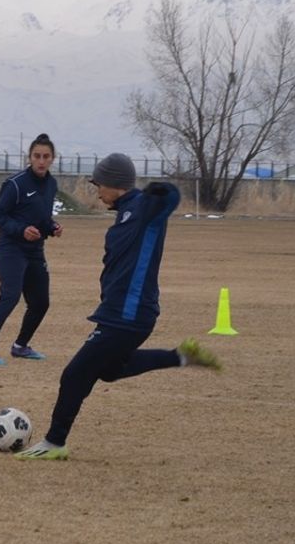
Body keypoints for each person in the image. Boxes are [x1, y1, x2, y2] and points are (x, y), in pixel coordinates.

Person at [15, 153, 221, 460]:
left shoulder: (143, 208)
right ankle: (180, 357)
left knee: (75, 374)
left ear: (115, 184)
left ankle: (55, 442)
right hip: (121, 312)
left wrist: (160, 191)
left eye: (99, 184)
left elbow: (169, 197)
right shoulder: (125, 212)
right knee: (109, 370)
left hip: (129, 314)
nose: (96, 190)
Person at [0, 133, 63, 366]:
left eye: (46, 156)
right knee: (10, 296)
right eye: (37, 156)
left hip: (35, 250)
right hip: (11, 247)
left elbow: (42, 218)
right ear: (30, 157)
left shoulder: (51, 184)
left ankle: (20, 346)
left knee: (41, 302)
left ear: (53, 158)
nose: (41, 161)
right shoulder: (15, 184)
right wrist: (21, 230)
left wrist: (52, 226)